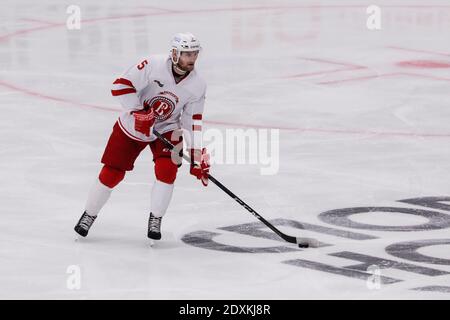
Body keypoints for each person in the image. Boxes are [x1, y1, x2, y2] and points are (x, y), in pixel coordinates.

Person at [74, 32, 210, 241]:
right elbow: (120, 85)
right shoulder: (153, 65)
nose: (191, 59)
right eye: (186, 54)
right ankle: (89, 214)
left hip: (166, 128)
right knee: (112, 173)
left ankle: (156, 218)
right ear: (174, 54)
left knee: (167, 170)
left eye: (194, 54)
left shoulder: (198, 84)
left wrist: (196, 154)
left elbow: (192, 121)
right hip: (132, 125)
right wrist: (138, 111)